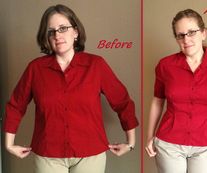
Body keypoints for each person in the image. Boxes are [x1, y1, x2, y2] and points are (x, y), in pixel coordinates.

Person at [4, 4, 138, 173]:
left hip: (90, 155)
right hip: (48, 155)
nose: (57, 35)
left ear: (75, 32)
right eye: (51, 31)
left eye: (63, 28)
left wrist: (131, 143)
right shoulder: (35, 69)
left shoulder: (96, 65)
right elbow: (16, 105)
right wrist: (8, 144)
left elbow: (122, 101)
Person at [145, 9, 207, 173]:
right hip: (169, 143)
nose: (186, 39)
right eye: (180, 35)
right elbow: (157, 101)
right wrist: (150, 137)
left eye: (192, 32)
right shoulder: (165, 65)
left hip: (206, 145)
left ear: (204, 33)